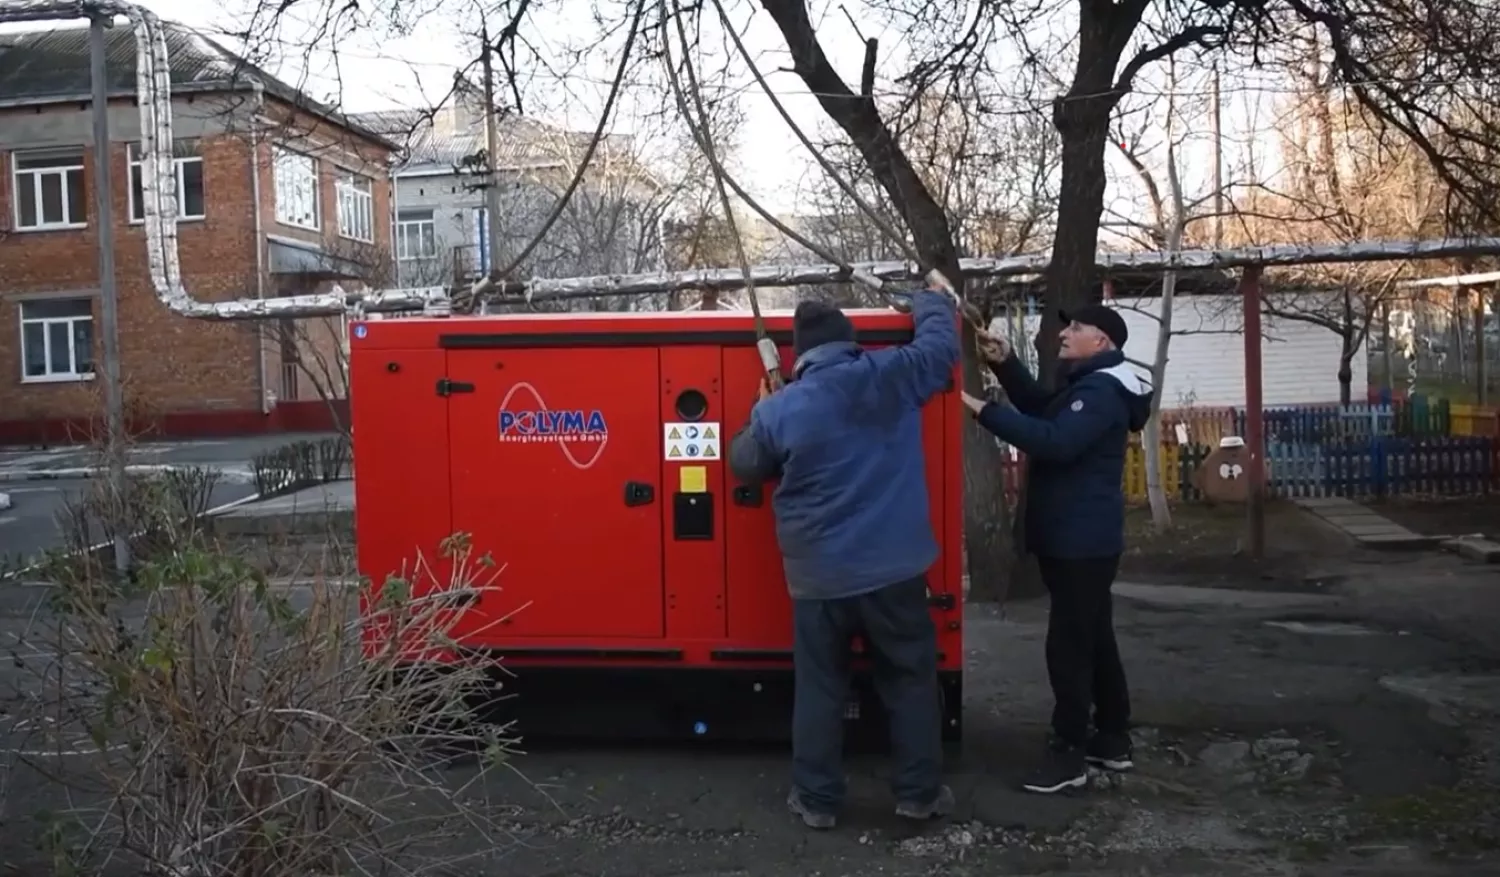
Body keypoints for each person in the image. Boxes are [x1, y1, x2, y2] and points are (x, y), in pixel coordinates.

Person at [728, 290, 961, 830]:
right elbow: (940, 343)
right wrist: (928, 300)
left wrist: (758, 408)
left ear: (800, 356)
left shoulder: (782, 406)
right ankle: (919, 794)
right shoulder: (893, 374)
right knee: (909, 681)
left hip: (819, 577)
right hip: (895, 570)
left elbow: (745, 464)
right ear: (850, 343)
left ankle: (816, 801)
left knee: (821, 687)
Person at [960, 304, 1153, 795]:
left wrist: (983, 409)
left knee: (1068, 646)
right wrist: (1004, 363)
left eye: (1076, 328)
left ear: (1102, 342)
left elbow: (1056, 441)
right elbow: (1046, 409)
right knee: (1095, 636)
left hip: (1080, 541)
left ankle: (1068, 754)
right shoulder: (1090, 384)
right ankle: (1111, 738)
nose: (1065, 333)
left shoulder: (1103, 392)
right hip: (1081, 539)